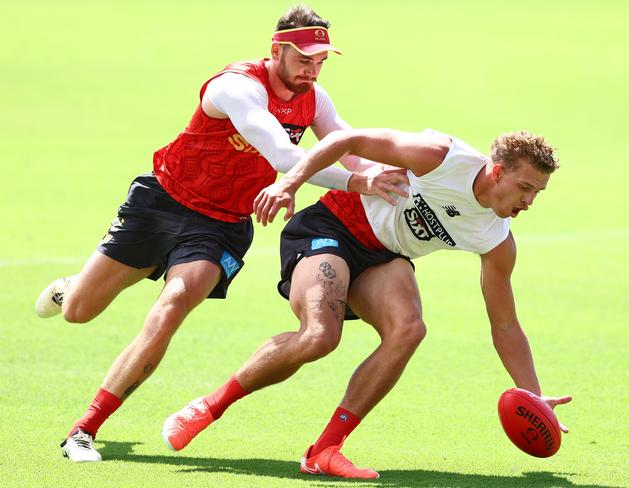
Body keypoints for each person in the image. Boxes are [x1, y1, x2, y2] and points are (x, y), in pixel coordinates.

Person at [34, 5, 407, 463]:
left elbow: (347, 145)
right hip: (162, 204)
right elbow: (285, 156)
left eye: (321, 61)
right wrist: (359, 182)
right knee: (78, 312)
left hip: (220, 226)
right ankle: (73, 288)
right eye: (304, 59)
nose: (312, 70)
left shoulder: (316, 98)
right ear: (277, 51)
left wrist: (386, 175)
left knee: (172, 306)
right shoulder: (236, 87)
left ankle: (83, 430)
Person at [163, 127, 572, 479]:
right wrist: (288, 183)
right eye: (525, 188)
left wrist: (532, 395)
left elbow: (505, 324)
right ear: (497, 172)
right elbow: (346, 139)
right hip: (333, 227)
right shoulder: (442, 158)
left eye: (538, 192)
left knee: (409, 331)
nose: (529, 202)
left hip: (385, 256)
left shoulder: (496, 238)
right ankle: (208, 407)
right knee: (320, 337)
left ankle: (324, 451)